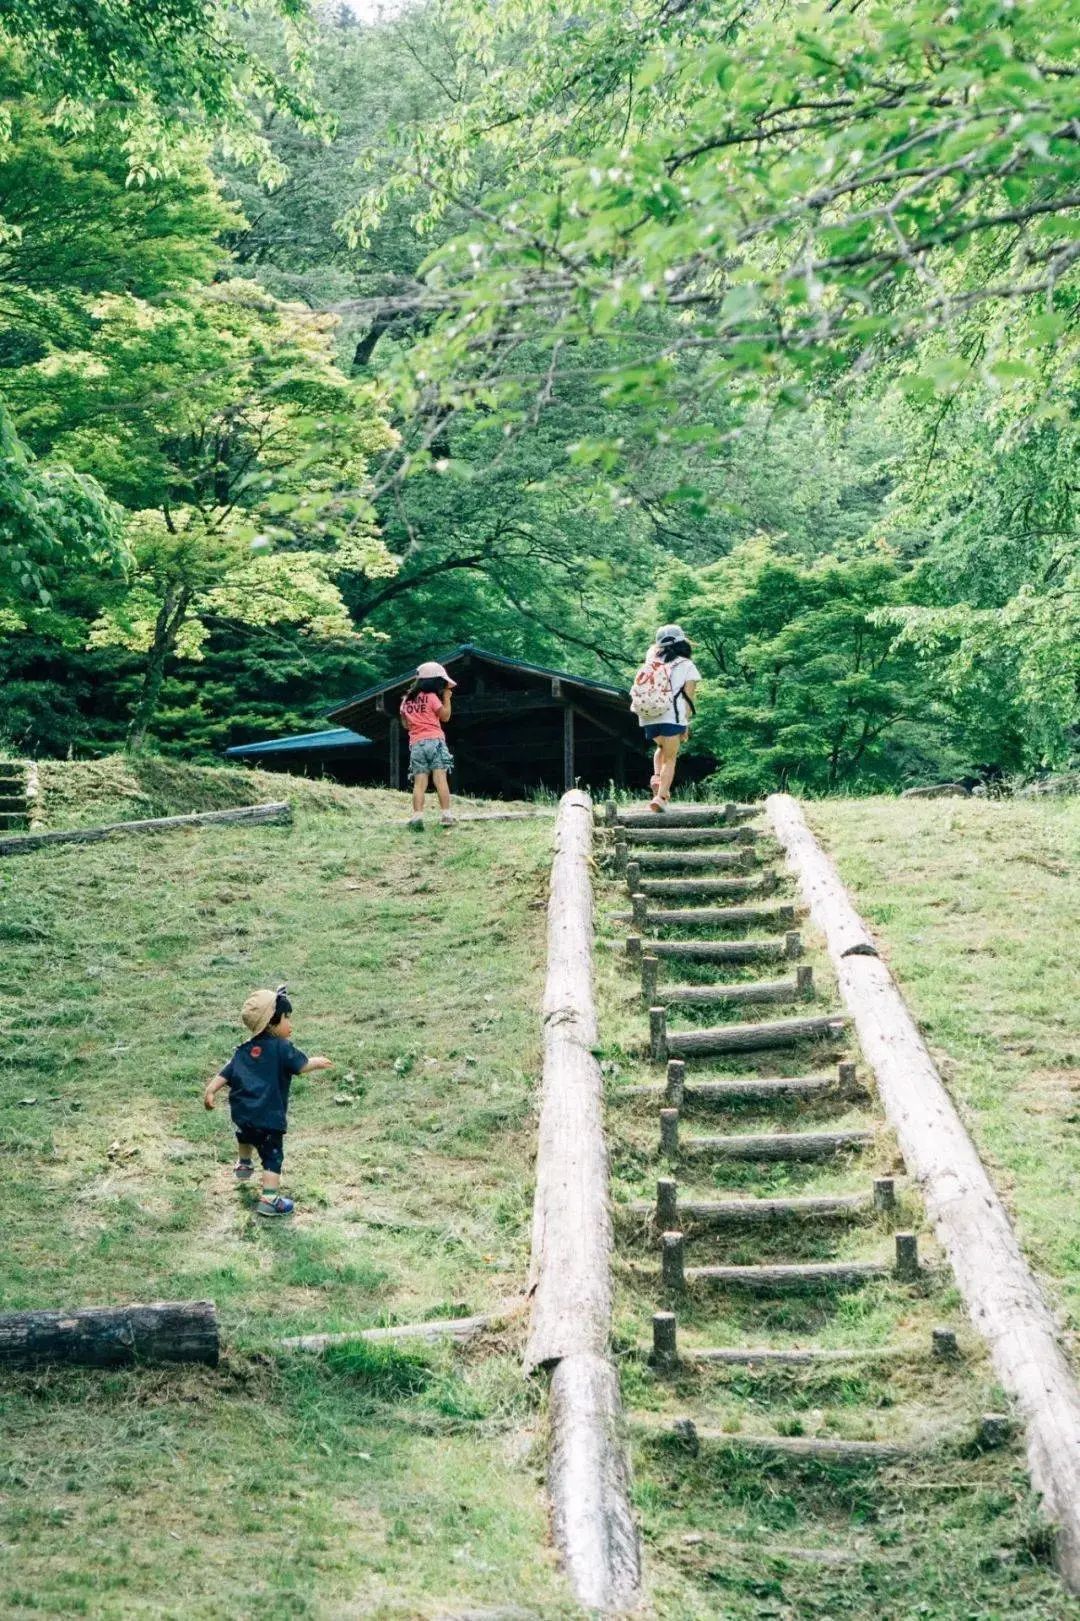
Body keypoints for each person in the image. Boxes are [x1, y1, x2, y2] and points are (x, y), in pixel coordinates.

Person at [203, 985, 332, 1218]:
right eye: (287, 1018)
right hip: (268, 1117)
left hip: (243, 1114)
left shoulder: (243, 1050)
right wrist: (317, 1062)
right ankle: (269, 1199)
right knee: (272, 1156)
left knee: (245, 1135)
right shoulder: (282, 1048)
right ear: (272, 1022)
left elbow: (226, 1073)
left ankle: (243, 1163)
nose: (290, 1024)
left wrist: (211, 1090)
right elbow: (301, 1066)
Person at [630, 624, 701, 812]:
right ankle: (660, 798)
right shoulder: (687, 665)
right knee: (670, 757)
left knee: (661, 747)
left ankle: (656, 777)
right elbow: (688, 698)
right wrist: (684, 723)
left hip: (649, 716)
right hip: (672, 716)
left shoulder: (652, 662)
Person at [400, 660, 457, 828]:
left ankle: (417, 817)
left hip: (416, 744)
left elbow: (405, 724)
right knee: (440, 779)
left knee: (419, 782)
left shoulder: (406, 701)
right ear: (433, 681)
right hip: (435, 741)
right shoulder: (432, 698)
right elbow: (445, 716)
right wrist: (446, 698)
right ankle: (446, 816)